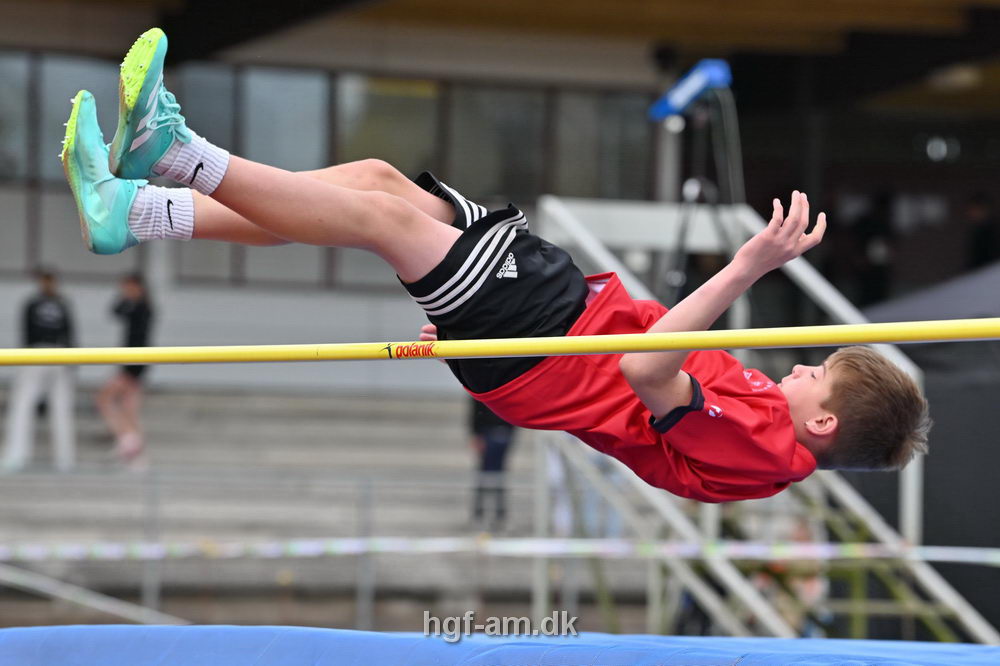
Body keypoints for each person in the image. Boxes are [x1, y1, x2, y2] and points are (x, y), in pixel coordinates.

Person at [58, 28, 930, 503]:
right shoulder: (774, 425)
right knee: (372, 183)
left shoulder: (766, 447)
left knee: (371, 217)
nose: (802, 366)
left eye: (816, 375)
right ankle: (131, 212)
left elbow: (645, 366)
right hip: (560, 309)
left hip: (545, 346)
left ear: (822, 425)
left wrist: (749, 262)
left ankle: (173, 155)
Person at [2, 269, 76, 471]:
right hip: (43, 353)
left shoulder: (55, 304)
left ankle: (62, 460)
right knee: (29, 405)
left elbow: (69, 333)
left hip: (51, 354)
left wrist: (72, 363)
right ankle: (21, 456)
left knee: (40, 406)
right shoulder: (39, 303)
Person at [96, 273, 153, 463]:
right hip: (130, 361)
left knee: (108, 399)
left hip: (135, 363)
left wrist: (131, 367)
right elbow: (115, 312)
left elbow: (140, 338)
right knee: (128, 407)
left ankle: (130, 442)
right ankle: (131, 445)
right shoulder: (133, 306)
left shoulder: (143, 308)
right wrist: (123, 296)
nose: (126, 291)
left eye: (129, 287)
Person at [468, 399, 516, 531]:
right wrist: (476, 434)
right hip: (487, 431)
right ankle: (480, 511)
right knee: (484, 473)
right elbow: (475, 410)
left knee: (499, 473)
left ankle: (499, 513)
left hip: (504, 430)